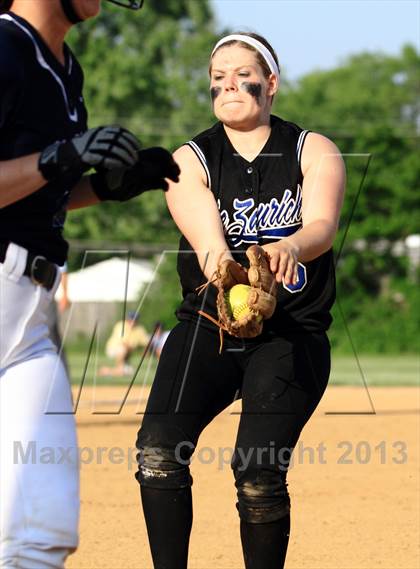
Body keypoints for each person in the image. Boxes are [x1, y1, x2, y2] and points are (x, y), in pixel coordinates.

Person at [135, 32, 346, 569]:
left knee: (257, 471)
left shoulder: (312, 149)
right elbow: (206, 236)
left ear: (271, 84)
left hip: (291, 334)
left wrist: (290, 245)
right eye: (217, 79)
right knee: (159, 450)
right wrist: (223, 266)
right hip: (211, 326)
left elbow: (320, 223)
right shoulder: (190, 158)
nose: (228, 83)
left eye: (241, 74)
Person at [0, 0, 179, 566]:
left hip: (31, 308)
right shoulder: (5, 47)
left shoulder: (66, 68)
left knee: (41, 525)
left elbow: (36, 189)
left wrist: (107, 188)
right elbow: (46, 167)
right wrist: (58, 158)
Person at [99, 311, 149, 376]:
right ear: (127, 319)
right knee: (122, 349)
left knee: (130, 372)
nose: (133, 321)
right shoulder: (121, 325)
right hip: (113, 349)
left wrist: (146, 351)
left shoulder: (140, 329)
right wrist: (132, 348)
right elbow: (124, 343)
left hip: (127, 354)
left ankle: (106, 371)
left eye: (135, 319)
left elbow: (146, 343)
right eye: (131, 319)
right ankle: (119, 368)